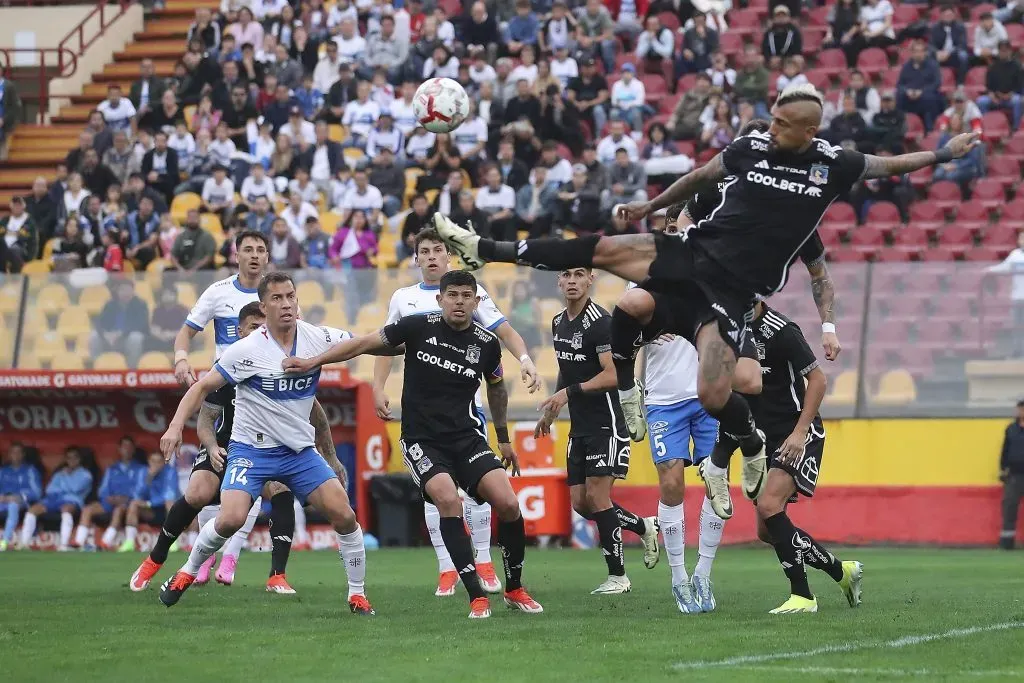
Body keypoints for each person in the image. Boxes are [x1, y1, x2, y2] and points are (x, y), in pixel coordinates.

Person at [433, 84, 980, 522]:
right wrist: (651, 204)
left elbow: (889, 165)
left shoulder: (831, 164)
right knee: (606, 260)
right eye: (770, 119)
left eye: (782, 123)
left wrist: (943, 153)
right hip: (691, 256)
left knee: (715, 391)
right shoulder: (752, 147)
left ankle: (746, 442)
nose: (771, 128)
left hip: (732, 295)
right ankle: (485, 248)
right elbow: (701, 175)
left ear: (808, 131)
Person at [286, 269, 543, 618]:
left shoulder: (486, 344)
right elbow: (363, 343)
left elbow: (496, 387)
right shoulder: (417, 327)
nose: (459, 302)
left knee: (509, 504)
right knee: (448, 500)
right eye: (452, 295)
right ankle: (475, 595)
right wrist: (313, 362)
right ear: (440, 299)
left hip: (467, 438)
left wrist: (503, 438)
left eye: (466, 296)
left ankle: (514, 588)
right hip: (422, 440)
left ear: (476, 301)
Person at [157, 273, 380, 614]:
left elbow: (366, 342)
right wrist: (175, 427)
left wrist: (409, 337)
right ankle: (188, 571)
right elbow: (201, 388)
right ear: (264, 306)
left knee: (345, 515)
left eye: (291, 296)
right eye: (277, 298)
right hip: (252, 451)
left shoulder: (317, 336)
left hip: (299, 453)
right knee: (230, 518)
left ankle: (357, 593)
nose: (287, 303)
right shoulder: (244, 350)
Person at [373, 229, 540, 597]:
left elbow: (503, 331)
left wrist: (525, 360)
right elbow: (386, 344)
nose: (432, 256)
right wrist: (377, 387)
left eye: (438, 251)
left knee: (483, 492)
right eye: (425, 251)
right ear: (416, 259)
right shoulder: (404, 299)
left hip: (467, 412)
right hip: (424, 416)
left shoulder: (471, 294)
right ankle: (448, 567)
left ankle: (483, 560)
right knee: (440, 494)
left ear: (449, 257)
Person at [132, 301, 339, 594]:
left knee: (281, 489)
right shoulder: (230, 364)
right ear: (239, 331)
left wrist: (330, 455)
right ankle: (155, 559)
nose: (259, 331)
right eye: (253, 327)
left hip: (272, 446)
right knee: (198, 492)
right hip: (228, 445)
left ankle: (276, 575)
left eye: (262, 326)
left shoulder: (281, 363)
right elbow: (205, 421)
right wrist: (211, 445)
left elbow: (315, 412)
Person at [534, 267, 658, 595]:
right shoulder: (558, 322)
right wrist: (552, 409)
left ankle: (618, 576)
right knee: (581, 504)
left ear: (591, 280)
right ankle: (643, 526)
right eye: (566, 275)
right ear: (558, 281)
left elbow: (614, 374)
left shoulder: (602, 323)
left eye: (579, 275)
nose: (572, 281)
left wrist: (568, 394)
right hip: (581, 425)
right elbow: (566, 369)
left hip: (610, 422)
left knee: (597, 497)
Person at [748, 299, 863, 614]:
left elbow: (818, 380)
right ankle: (841, 571)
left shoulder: (782, 330)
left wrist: (799, 433)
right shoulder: (729, 329)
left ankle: (803, 595)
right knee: (765, 529)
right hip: (763, 438)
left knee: (769, 505)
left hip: (798, 431)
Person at [73, 436, 144, 550]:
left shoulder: (140, 469)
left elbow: (141, 489)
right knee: (87, 509)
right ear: (119, 449)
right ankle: (78, 542)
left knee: (118, 510)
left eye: (129, 447)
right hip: (110, 502)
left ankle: (105, 542)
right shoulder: (112, 468)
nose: (127, 449)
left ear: (133, 449)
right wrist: (109, 498)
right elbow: (103, 489)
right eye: (124, 446)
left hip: (127, 503)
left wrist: (126, 498)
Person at [20, 447, 93, 552]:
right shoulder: (59, 474)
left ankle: (63, 545)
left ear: (79, 459)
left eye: (74, 458)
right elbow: (50, 489)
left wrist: (65, 479)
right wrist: (64, 486)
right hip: (53, 500)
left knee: (66, 509)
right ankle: (24, 544)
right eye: (69, 458)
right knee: (32, 510)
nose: (71, 461)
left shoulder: (85, 474)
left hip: (72, 501)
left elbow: (75, 488)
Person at [120, 451, 180, 552]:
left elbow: (170, 495)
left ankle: (172, 541)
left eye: (159, 461)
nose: (156, 464)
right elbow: (137, 495)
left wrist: (150, 503)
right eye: (153, 461)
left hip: (165, 510)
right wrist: (149, 478)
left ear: (164, 462)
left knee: (170, 503)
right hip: (150, 512)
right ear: (149, 462)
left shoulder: (171, 472)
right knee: (134, 504)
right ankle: (129, 542)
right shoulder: (143, 472)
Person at [0, 443, 42, 551]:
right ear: (9, 455)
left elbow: (37, 492)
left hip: (21, 502)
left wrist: (20, 496)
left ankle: (4, 542)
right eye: (13, 452)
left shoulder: (30, 470)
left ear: (23, 455)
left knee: (13, 506)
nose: (16, 455)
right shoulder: (3, 471)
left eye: (18, 452)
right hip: (3, 500)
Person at [999, 400, 1024, 550]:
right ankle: (1007, 543)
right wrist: (1002, 469)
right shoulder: (1011, 429)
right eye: (1020, 409)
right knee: (1009, 508)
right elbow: (1005, 450)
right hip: (1014, 475)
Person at [761, 5, 803, 71]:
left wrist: (782, 58)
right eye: (778, 16)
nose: (781, 18)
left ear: (788, 17)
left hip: (788, 58)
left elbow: (797, 50)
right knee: (760, 59)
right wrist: (769, 58)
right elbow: (764, 49)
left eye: (783, 16)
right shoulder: (768, 33)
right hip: (772, 60)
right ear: (774, 18)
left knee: (798, 59)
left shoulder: (794, 32)